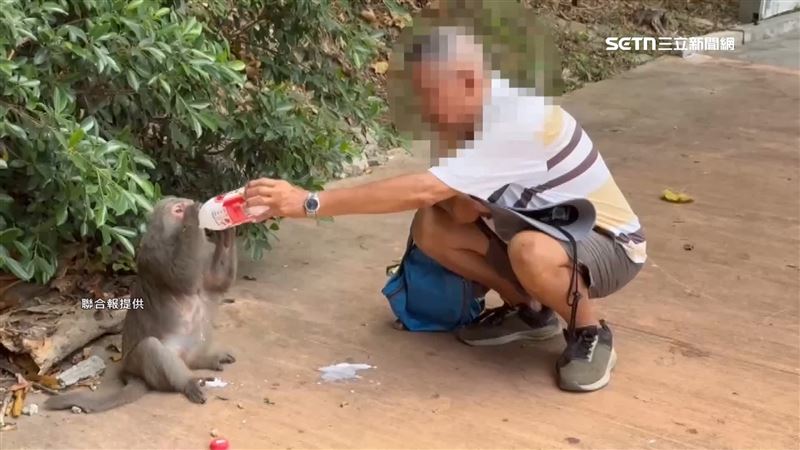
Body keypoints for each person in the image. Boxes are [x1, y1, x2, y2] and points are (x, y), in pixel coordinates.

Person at [243, 26, 646, 392]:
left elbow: (421, 188)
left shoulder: (518, 118)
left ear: (468, 80)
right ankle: (530, 312)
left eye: (430, 95)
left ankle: (589, 331)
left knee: (530, 251)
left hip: (607, 244)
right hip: (538, 229)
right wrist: (458, 193)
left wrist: (309, 201)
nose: (424, 110)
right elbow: (460, 213)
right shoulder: (468, 121)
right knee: (432, 227)